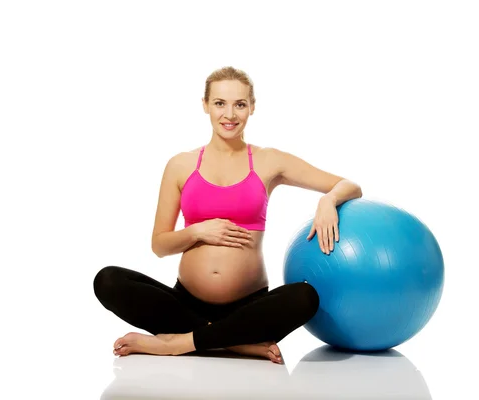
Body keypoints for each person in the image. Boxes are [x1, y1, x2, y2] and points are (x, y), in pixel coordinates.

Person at [93, 66, 363, 364]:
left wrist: (328, 200)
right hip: (185, 303)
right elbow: (159, 245)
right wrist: (198, 231)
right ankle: (234, 343)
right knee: (107, 281)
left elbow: (349, 185)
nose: (230, 114)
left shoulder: (268, 160)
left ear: (252, 107)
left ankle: (177, 343)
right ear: (205, 105)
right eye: (220, 103)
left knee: (305, 298)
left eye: (240, 104)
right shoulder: (180, 165)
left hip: (249, 306)